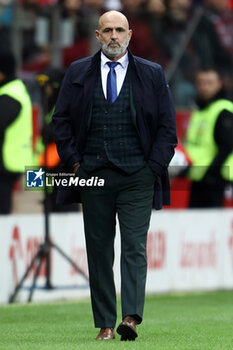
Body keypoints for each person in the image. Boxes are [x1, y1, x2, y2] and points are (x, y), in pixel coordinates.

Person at [53, 10, 177, 341]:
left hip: (138, 174)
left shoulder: (151, 73)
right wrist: (75, 164)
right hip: (92, 173)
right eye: (107, 30)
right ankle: (106, 324)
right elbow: (60, 120)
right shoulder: (78, 71)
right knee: (99, 250)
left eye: (119, 30)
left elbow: (168, 127)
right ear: (97, 35)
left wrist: (152, 168)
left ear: (130, 34)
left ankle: (131, 319)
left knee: (134, 247)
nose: (113, 36)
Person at [185, 68, 233, 208]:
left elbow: (227, 146)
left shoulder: (223, 110)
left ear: (219, 84)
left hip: (218, 178)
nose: (204, 87)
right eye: (201, 83)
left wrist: (212, 173)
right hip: (199, 176)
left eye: (209, 83)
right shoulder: (200, 109)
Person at [0, 51, 33, 214]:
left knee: (3, 216)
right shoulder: (11, 91)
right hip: (9, 163)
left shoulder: (10, 96)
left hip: (6, 165)